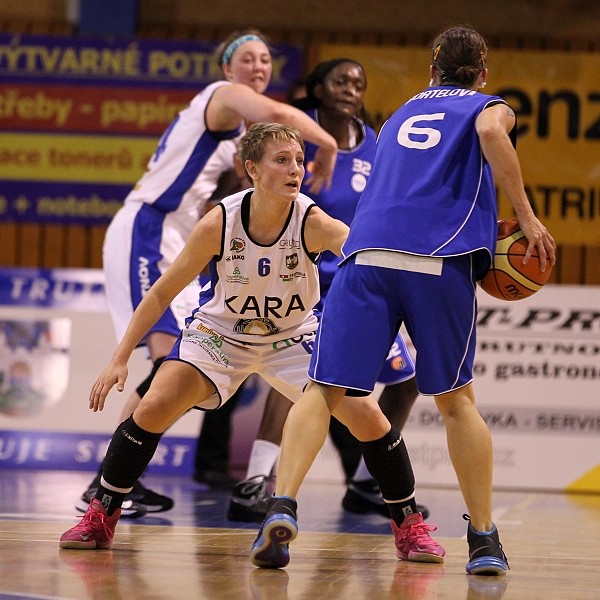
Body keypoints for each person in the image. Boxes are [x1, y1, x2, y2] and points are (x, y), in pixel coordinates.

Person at [250, 25, 556, 576]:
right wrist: (526, 216)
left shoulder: (398, 116)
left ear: (431, 71)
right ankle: (484, 539)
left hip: (365, 256)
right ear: (483, 73)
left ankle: (282, 504)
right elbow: (491, 131)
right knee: (457, 403)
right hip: (437, 257)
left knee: (322, 391)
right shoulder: (487, 106)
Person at [73, 29, 338, 517]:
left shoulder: (242, 137)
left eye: (266, 60)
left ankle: (114, 482)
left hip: (175, 235)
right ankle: (105, 486)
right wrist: (330, 144)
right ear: (227, 69)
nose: (259, 67)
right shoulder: (221, 98)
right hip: (148, 229)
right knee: (166, 359)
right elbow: (280, 115)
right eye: (248, 59)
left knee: (172, 360)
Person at [227, 59, 427, 523]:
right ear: (318, 89)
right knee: (299, 373)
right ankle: (255, 482)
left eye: (359, 83)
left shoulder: (373, 141)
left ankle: (367, 483)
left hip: (359, 280)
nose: (351, 89)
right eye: (341, 81)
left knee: (408, 378)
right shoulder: (297, 138)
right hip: (305, 280)